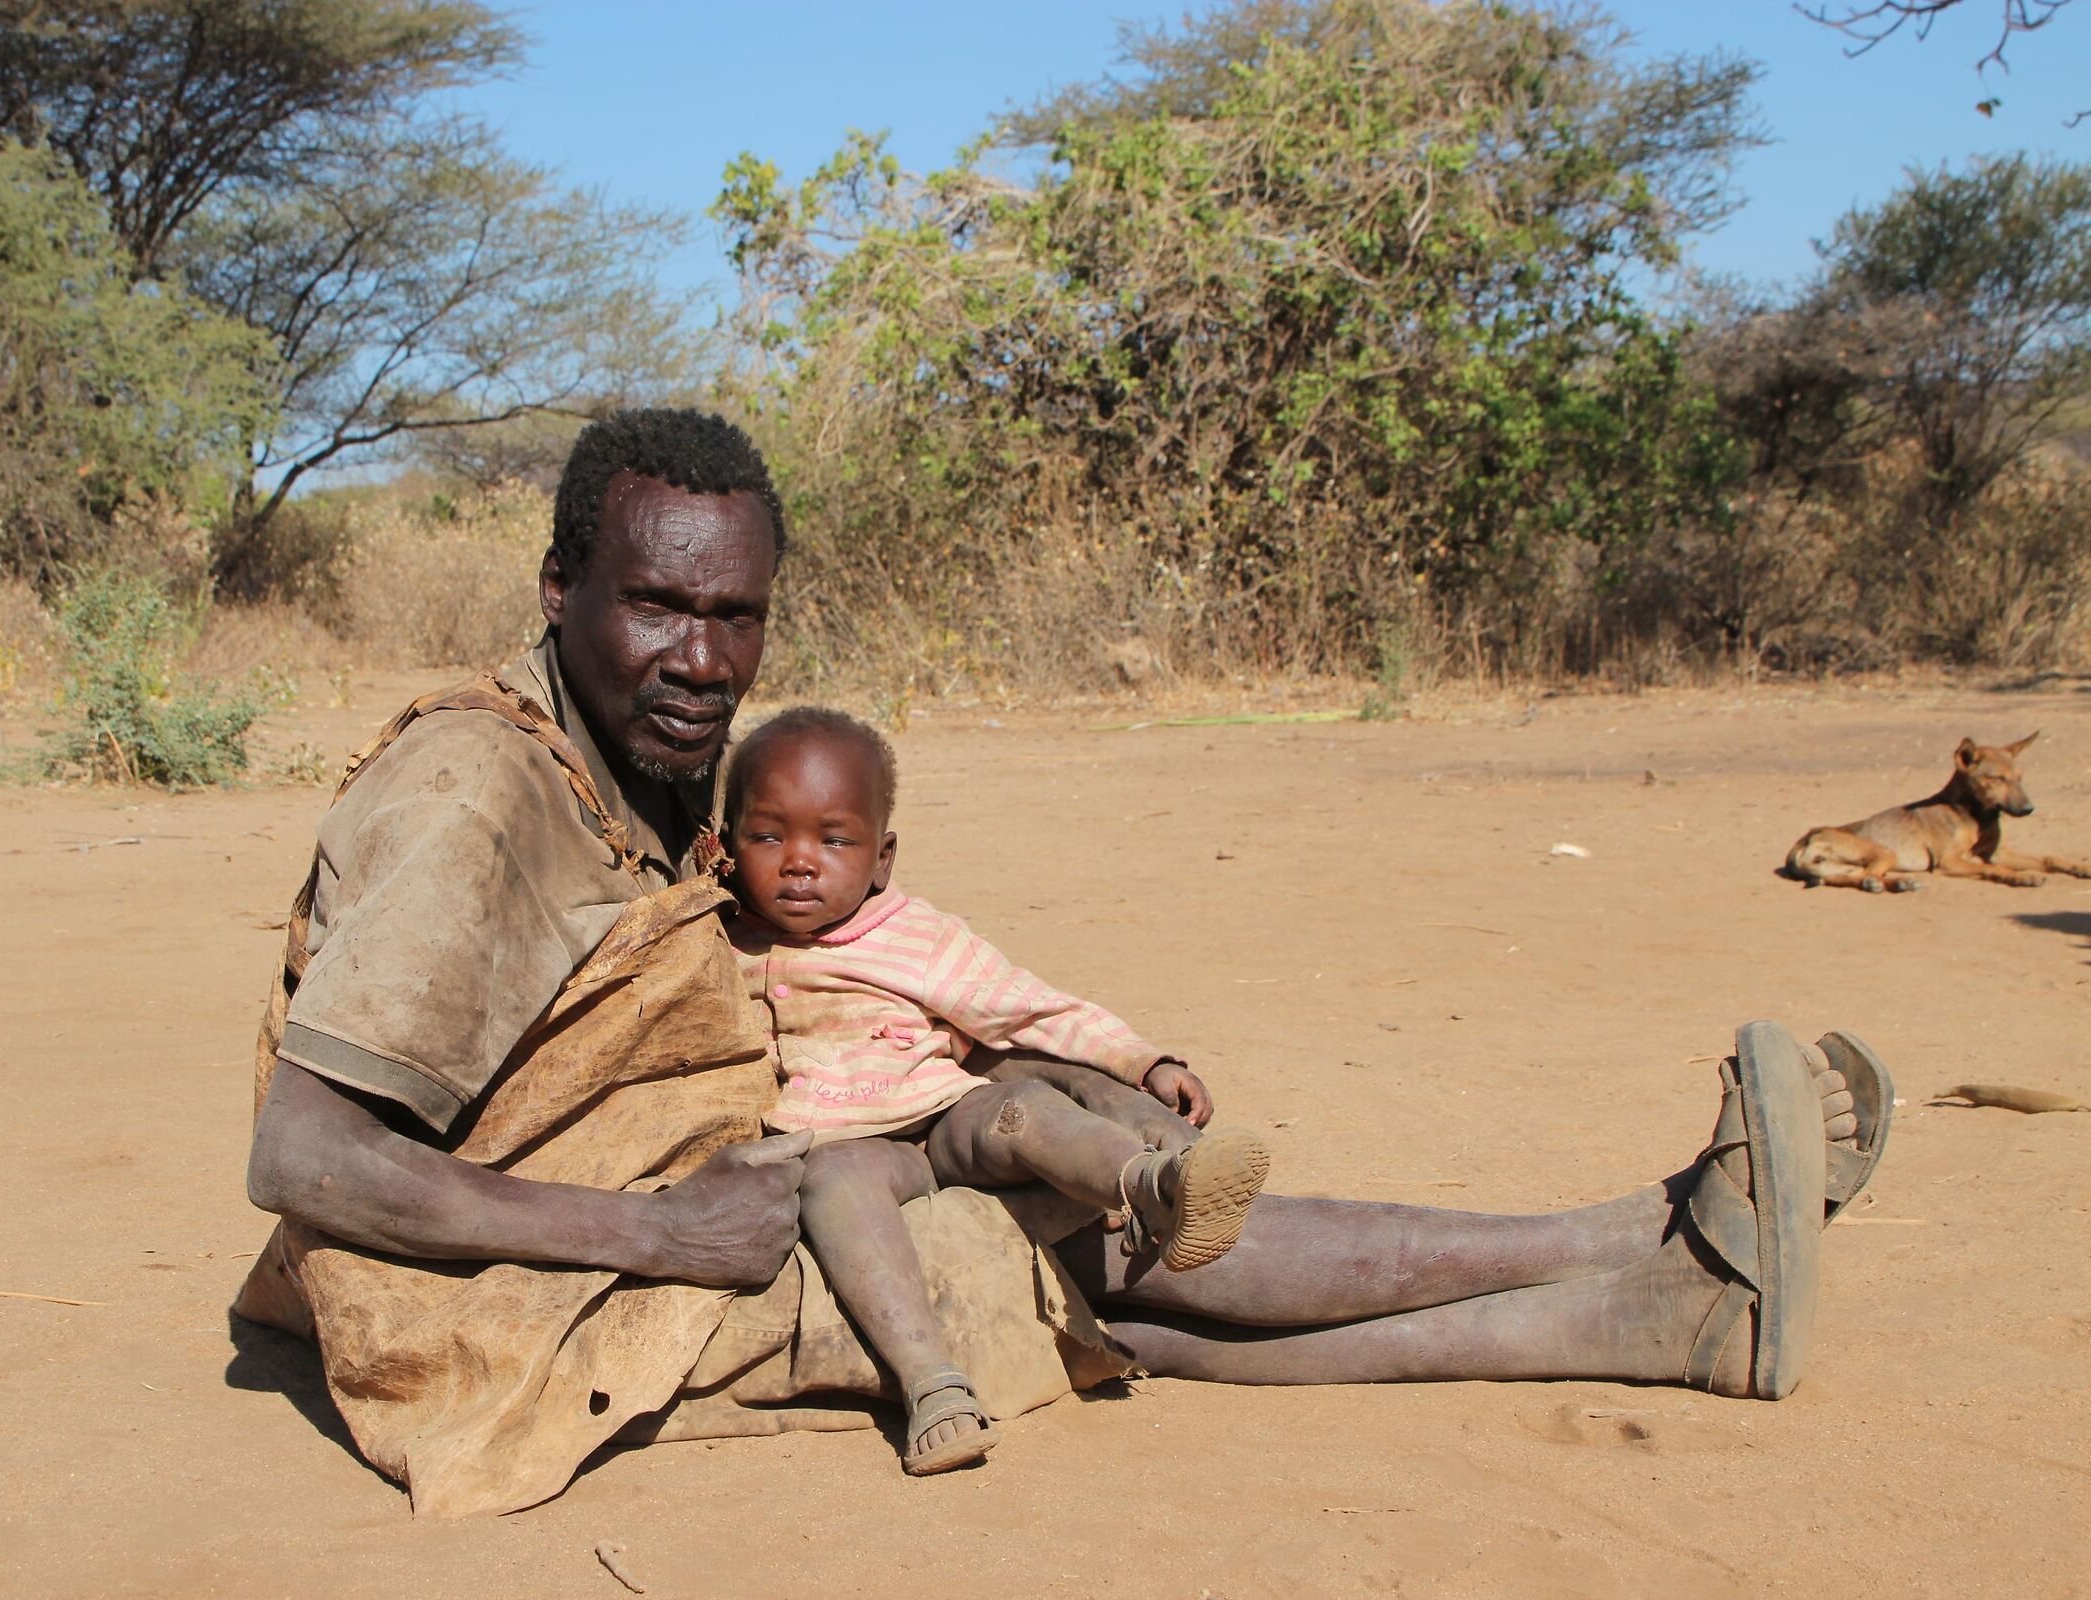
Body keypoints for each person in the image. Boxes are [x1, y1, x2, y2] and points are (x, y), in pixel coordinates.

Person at [238, 407, 1891, 1520]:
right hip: (542, 1298)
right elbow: (306, 1153)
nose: (703, 659)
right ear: (558, 588)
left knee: (1102, 1242)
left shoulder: (646, 766)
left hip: (693, 1213)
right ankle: (1655, 1235)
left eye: (736, 616)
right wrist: (649, 1229)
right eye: (659, 605)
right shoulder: (476, 791)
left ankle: (1674, 1305)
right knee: (1113, 1256)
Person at [723, 706, 1273, 1475]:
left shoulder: (915, 936)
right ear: (724, 847)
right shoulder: (721, 943)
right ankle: (933, 1387)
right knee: (831, 1185)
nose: (799, 861)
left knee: (1024, 1113)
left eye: (834, 838)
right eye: (769, 835)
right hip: (853, 1151)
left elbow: (1034, 1009)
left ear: (881, 857)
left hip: (945, 1110)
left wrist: (1145, 1062)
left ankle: (1154, 1183)